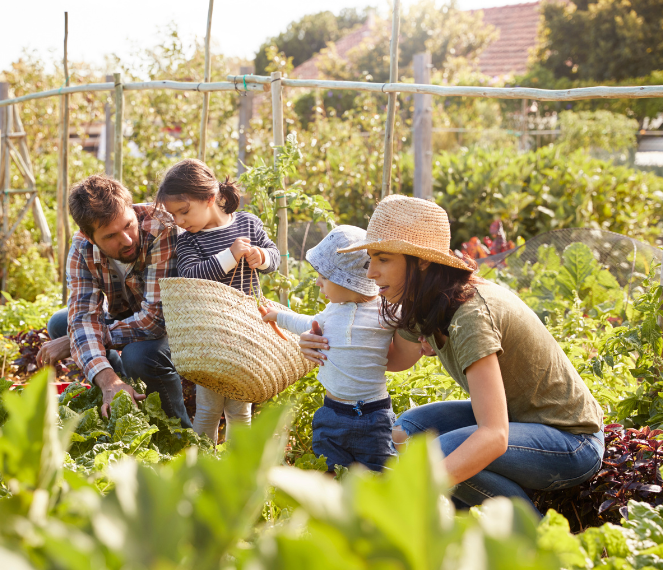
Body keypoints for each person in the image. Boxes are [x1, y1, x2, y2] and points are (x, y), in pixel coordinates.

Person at [301, 195, 604, 513]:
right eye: (370, 258)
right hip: (520, 421)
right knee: (411, 429)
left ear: (421, 261)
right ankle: (471, 519)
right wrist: (323, 341)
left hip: (571, 441)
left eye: (383, 259)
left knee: (436, 457)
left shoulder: (470, 316)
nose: (371, 272)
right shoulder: (423, 303)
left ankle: (532, 534)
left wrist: (411, 491)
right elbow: (394, 359)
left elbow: (493, 435)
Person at [36, 174, 191, 427]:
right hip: (131, 317)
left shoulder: (160, 228)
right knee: (61, 323)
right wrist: (108, 379)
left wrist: (85, 338)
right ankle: (122, 398)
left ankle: (179, 431)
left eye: (128, 225)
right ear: (89, 236)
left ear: (132, 211)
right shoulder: (81, 250)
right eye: (110, 236)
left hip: (172, 324)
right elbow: (83, 316)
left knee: (139, 355)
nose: (127, 239)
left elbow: (154, 321)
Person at [156, 158, 280, 442]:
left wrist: (260, 257)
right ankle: (201, 468)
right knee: (208, 408)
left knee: (240, 407)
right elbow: (190, 275)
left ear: (210, 198)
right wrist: (229, 255)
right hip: (210, 337)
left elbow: (274, 257)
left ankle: (237, 466)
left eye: (183, 211)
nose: (179, 221)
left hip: (245, 332)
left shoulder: (248, 224)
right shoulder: (189, 241)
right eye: (173, 215)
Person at [262, 225, 396, 472]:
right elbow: (304, 321)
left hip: (374, 416)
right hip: (332, 413)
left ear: (348, 282)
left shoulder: (386, 312)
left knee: (379, 475)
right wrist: (278, 316)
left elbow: (414, 320)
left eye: (324, 277)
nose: (318, 283)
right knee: (329, 471)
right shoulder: (331, 312)